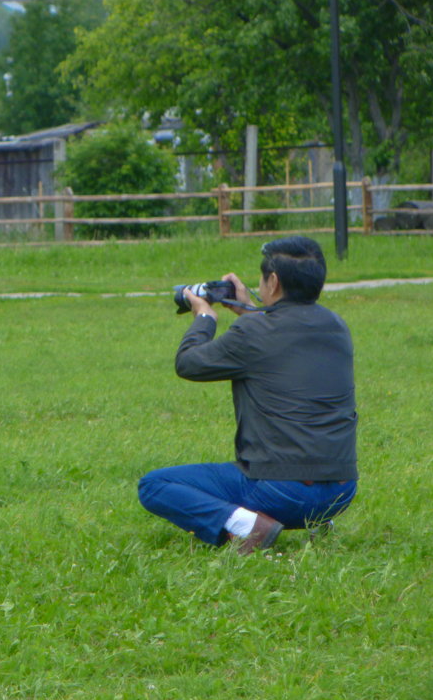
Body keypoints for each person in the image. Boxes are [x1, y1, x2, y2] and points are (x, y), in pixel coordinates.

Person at [138, 236, 358, 554]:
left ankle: (248, 527)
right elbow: (279, 339)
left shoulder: (255, 332)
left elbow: (189, 364)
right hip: (340, 493)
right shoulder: (336, 326)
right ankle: (319, 520)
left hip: (284, 493)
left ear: (274, 281)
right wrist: (251, 312)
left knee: (155, 485)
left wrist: (204, 316)